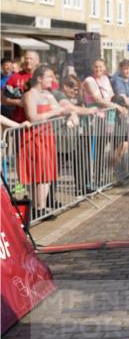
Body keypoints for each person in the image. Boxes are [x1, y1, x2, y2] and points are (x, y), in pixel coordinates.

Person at [19, 65, 75, 219]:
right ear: (39, 78)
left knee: (47, 173)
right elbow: (33, 117)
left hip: (47, 136)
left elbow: (59, 109)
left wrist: (71, 113)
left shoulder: (48, 94)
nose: (53, 79)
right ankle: (39, 208)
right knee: (39, 174)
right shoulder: (30, 94)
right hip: (34, 137)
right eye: (49, 76)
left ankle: (41, 207)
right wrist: (55, 112)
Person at [2, 50, 40, 123]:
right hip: (20, 124)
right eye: (26, 58)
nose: (28, 61)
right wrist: (18, 102)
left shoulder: (42, 76)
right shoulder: (15, 77)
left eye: (31, 58)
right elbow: (3, 98)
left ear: (37, 61)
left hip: (40, 122)